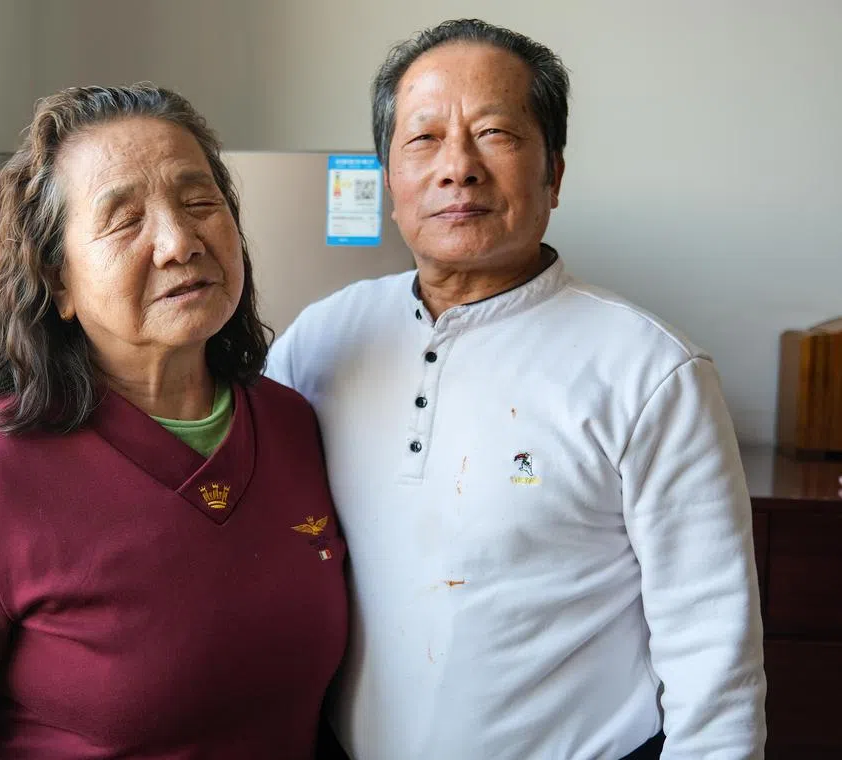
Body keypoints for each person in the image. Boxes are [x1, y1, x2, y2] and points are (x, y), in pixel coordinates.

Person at [266, 18, 765, 760]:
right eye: (423, 139)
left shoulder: (651, 371)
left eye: (495, 133)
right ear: (388, 180)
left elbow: (713, 652)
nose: (457, 168)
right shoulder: (321, 339)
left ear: (553, 174)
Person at [0, 84, 348, 759]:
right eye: (124, 219)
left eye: (200, 202)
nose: (180, 242)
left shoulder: (293, 424)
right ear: (58, 281)